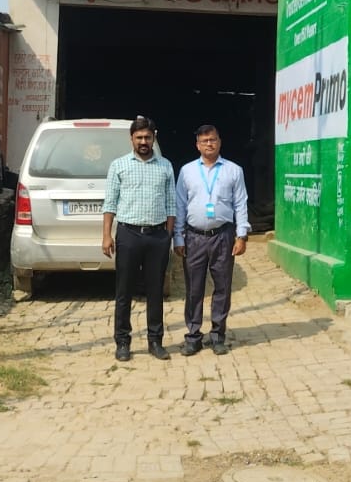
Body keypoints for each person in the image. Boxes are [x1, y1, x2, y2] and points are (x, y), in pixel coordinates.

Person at [101, 116, 175, 362]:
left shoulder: (165, 166)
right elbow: (110, 203)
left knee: (155, 291)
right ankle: (123, 342)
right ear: (131, 139)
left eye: (147, 137)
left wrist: (168, 236)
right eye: (139, 137)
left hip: (157, 236)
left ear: (154, 138)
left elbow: (171, 205)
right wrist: (106, 236)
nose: (143, 142)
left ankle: (156, 341)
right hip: (128, 235)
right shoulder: (119, 166)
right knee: (124, 290)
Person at [173, 124, 250, 356]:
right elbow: (180, 205)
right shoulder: (187, 171)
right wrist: (178, 237)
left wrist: (242, 235)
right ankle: (193, 336)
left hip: (223, 236)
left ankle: (218, 335)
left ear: (220, 142)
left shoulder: (233, 170)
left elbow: (241, 203)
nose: (209, 144)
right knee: (194, 289)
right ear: (197, 145)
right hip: (194, 237)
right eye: (204, 140)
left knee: (222, 287)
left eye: (213, 139)